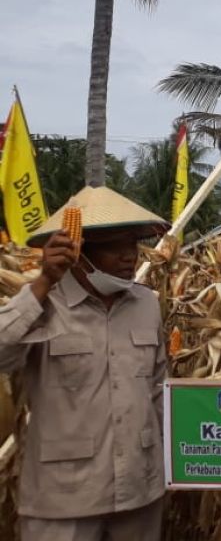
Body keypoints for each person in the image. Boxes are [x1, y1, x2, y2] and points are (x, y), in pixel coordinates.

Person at [0, 186, 170, 540]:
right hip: (64, 500)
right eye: (114, 246)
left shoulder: (146, 304)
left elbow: (157, 391)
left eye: (134, 244)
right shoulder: (42, 304)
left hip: (139, 491)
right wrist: (44, 281)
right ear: (78, 251)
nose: (130, 256)